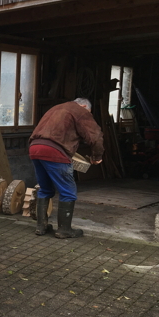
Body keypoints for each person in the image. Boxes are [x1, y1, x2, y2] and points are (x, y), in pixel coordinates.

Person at [29, 98, 104, 239]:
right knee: (68, 192)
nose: (88, 114)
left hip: (35, 148)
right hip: (55, 151)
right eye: (89, 112)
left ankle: (41, 227)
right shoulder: (80, 111)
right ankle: (64, 230)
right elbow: (95, 136)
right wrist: (97, 156)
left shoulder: (56, 107)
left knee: (45, 189)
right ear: (83, 106)